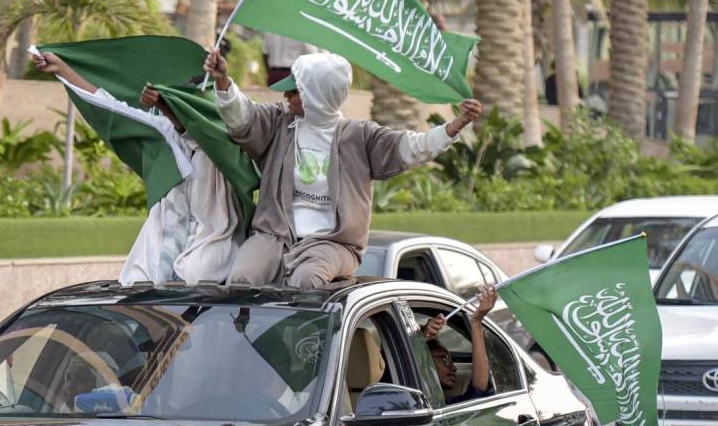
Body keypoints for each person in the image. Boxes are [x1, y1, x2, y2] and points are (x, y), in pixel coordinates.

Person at [203, 48, 482, 289]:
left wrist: (454, 127)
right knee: (242, 278)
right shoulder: (280, 122)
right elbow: (243, 118)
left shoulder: (360, 137)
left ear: (318, 94)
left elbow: (412, 148)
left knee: (306, 281)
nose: (286, 93)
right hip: (275, 235)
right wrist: (224, 81)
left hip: (334, 244)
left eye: (295, 89)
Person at [31, 50, 241, 285]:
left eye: (193, 105)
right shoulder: (164, 131)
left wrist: (169, 104)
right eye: (181, 103)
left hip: (212, 252)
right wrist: (62, 69)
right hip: (159, 250)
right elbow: (111, 108)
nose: (185, 111)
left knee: (194, 276)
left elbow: (203, 133)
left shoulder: (228, 141)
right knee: (134, 283)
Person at [421, 286, 497, 404]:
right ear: (425, 361)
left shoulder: (442, 407)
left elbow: (478, 392)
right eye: (444, 359)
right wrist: (421, 339)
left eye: (451, 360)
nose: (453, 367)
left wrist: (476, 322)